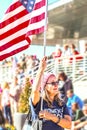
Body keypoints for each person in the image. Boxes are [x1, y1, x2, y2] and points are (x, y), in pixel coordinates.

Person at [31, 57, 72, 130]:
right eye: (53, 83)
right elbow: (35, 91)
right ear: (45, 86)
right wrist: (41, 70)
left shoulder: (61, 104)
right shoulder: (39, 102)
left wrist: (52, 117)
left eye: (57, 82)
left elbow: (69, 125)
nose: (56, 85)